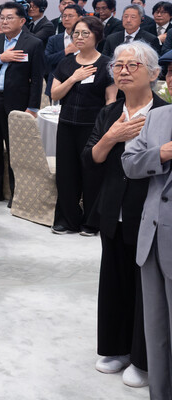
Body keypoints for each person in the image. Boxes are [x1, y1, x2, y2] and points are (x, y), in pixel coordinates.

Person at [84, 42, 164, 390]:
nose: (124, 71)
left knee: (147, 289)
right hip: (112, 208)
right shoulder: (109, 113)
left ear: (153, 74)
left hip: (151, 213)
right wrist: (112, 136)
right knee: (113, 280)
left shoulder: (164, 113)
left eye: (133, 65)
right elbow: (91, 159)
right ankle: (116, 348)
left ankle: (146, 358)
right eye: (118, 65)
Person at [120, 58, 172, 400]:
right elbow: (130, 163)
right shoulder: (158, 116)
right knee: (156, 330)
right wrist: (162, 153)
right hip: (153, 236)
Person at [50, 15, 117, 235]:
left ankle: (91, 222)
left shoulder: (107, 64)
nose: (79, 37)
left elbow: (111, 100)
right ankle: (66, 220)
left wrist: (107, 128)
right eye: (76, 33)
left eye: (84, 33)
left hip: (93, 127)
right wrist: (74, 77)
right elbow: (55, 93)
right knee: (66, 174)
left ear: (97, 36)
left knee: (92, 174)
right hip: (67, 124)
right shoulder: (67, 62)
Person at [0, 2, 45, 205]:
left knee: (16, 148)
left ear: (22, 21)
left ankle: (17, 191)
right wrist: (1, 58)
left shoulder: (32, 43)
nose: (4, 21)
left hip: (17, 103)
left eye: (9, 18)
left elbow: (37, 77)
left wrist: (33, 107)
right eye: (1, 18)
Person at [45, 3, 83, 97]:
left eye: (70, 16)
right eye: (64, 16)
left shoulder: (86, 38)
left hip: (80, 83)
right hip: (56, 84)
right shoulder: (54, 39)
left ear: (80, 18)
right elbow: (46, 60)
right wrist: (66, 51)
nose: (66, 19)